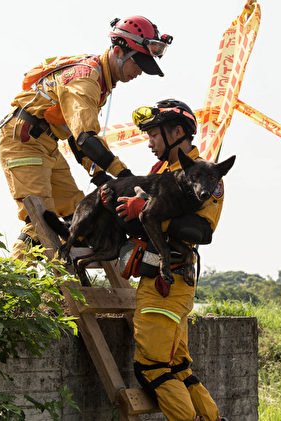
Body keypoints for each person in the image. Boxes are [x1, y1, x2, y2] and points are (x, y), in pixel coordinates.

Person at [0, 16, 172, 260]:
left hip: (46, 145)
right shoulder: (86, 79)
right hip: (24, 142)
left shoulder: (100, 80)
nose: (140, 72)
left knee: (78, 211)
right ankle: (10, 284)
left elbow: (75, 134)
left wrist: (99, 175)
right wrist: (124, 176)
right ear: (119, 51)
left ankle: (70, 278)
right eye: (138, 64)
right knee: (39, 219)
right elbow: (86, 139)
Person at [115, 99, 228, 421]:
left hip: (167, 281)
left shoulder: (205, 176)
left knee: (151, 367)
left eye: (154, 134)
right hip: (164, 280)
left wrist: (149, 213)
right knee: (178, 366)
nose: (149, 142)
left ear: (177, 131)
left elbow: (202, 231)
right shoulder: (164, 173)